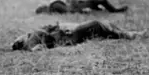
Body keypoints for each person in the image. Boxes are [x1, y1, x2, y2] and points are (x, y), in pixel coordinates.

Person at [12, 20, 142, 51]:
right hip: (68, 38)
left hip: (67, 35)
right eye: (18, 38)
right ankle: (127, 35)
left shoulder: (32, 37)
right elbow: (36, 48)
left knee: (102, 27)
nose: (20, 36)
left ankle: (127, 33)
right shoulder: (31, 38)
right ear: (20, 41)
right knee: (96, 24)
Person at [35, 0, 128, 15]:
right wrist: (83, 12)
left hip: (79, 0)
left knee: (98, 2)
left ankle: (100, 9)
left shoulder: (53, 3)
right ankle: (114, 10)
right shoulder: (54, 4)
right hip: (79, 3)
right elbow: (69, 10)